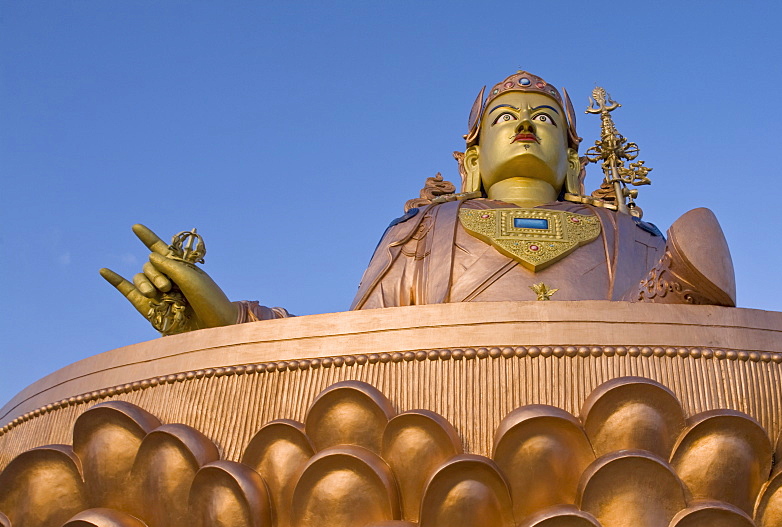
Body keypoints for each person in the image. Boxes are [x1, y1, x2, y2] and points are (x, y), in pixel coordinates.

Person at [100, 72, 735, 334]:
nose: (524, 126)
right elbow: (355, 345)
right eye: (504, 117)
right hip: (444, 432)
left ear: (573, 159)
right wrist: (222, 320)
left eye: (543, 119)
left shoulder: (631, 235)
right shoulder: (426, 231)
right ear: (472, 159)